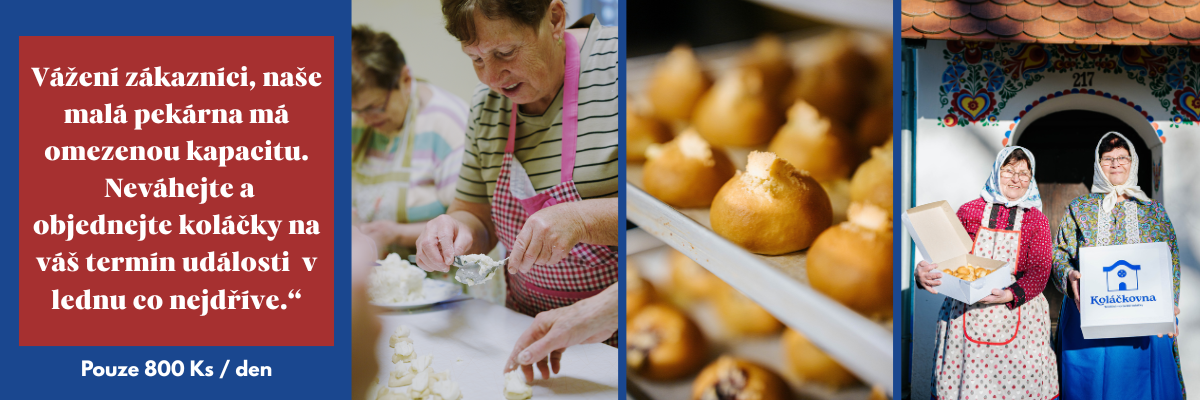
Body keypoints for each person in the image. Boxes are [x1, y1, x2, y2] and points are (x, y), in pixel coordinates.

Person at [415, 0, 619, 383]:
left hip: (616, 338)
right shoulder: (487, 105)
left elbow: (665, 219)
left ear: (554, 19)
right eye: (475, 59)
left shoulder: (618, 69)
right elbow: (475, 216)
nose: (491, 77)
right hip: (527, 335)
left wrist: (580, 219)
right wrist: (454, 231)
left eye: (504, 53)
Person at [915, 146, 1059, 399]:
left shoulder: (1035, 219)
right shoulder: (969, 211)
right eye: (1009, 170)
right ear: (996, 172)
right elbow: (947, 258)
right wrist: (922, 273)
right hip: (966, 317)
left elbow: (1039, 271)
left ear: (1031, 179)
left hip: (1018, 315)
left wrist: (1008, 295)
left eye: (1024, 174)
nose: (1016, 179)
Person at [1051, 132, 1184, 400]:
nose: (1115, 164)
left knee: (1140, 385)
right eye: (1107, 158)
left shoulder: (1153, 211)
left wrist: (1169, 306)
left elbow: (1171, 262)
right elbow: (1059, 254)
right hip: (1087, 314)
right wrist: (1070, 275)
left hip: (1144, 316)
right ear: (1098, 165)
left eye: (1122, 157)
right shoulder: (1080, 208)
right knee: (1088, 386)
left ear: (1133, 162)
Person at [351, 25, 468, 258]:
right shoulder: (357, 122)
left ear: (405, 79)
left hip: (446, 274)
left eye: (374, 108)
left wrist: (396, 233)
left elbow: (470, 220)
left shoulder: (447, 124)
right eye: (356, 110)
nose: (365, 119)